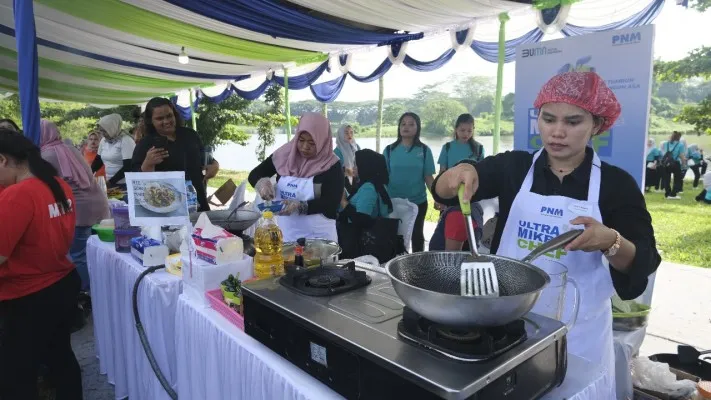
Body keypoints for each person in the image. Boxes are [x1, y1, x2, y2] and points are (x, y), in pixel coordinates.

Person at [431, 71, 660, 398]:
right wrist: (455, 174)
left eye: (573, 121)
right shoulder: (515, 167)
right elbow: (444, 193)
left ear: (596, 124)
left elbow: (643, 261)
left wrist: (611, 242)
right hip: (509, 328)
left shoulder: (615, 185)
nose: (557, 132)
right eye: (548, 118)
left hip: (578, 338)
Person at [0, 132, 83, 399]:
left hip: (29, 295)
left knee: (16, 373)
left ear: (2, 160)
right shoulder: (58, 184)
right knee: (60, 357)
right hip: (61, 283)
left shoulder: (17, 195)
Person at [249, 112, 344, 243]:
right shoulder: (284, 155)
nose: (305, 147)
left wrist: (301, 206)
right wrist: (262, 184)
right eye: (301, 140)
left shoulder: (332, 165)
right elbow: (255, 174)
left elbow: (332, 202)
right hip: (286, 236)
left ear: (322, 141)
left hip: (320, 240)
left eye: (312, 143)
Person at [40, 120, 109, 297]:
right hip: (98, 202)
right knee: (96, 251)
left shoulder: (46, 154)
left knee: (78, 254)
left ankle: (88, 292)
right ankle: (102, 289)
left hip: (80, 208)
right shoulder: (67, 147)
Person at [132, 97, 220, 211]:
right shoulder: (145, 144)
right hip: (167, 210)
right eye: (159, 118)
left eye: (169, 115)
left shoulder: (190, 135)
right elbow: (135, 181)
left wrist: (215, 165)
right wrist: (147, 164)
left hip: (198, 205)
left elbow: (206, 159)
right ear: (151, 121)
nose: (166, 121)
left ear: (175, 114)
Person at [384, 112, 436, 252]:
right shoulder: (389, 150)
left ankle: (419, 267)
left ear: (417, 128)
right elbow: (383, 178)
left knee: (417, 235)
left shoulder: (424, 150)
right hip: (393, 202)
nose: (406, 127)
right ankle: (393, 265)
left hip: (417, 202)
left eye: (411, 124)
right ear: (399, 128)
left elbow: (428, 177)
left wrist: (438, 198)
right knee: (393, 235)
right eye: (403, 124)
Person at [337, 149, 395, 259]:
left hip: (360, 246)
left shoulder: (368, 188)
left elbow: (362, 220)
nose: (354, 167)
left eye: (356, 164)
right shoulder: (378, 183)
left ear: (366, 166)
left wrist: (343, 202)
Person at [92, 113, 136, 188]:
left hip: (124, 183)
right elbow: (98, 161)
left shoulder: (126, 140)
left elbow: (128, 166)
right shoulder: (104, 140)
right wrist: (89, 173)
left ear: (112, 128)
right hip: (111, 182)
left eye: (104, 131)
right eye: (101, 131)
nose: (103, 134)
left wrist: (111, 182)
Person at [334, 124, 360, 194]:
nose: (349, 135)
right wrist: (348, 171)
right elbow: (336, 171)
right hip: (343, 182)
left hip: (357, 179)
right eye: (346, 133)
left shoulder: (356, 147)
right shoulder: (336, 152)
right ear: (341, 134)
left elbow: (361, 162)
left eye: (351, 132)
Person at [661, 131, 686, 199]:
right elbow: (682, 156)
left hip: (666, 163)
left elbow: (663, 152)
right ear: (679, 137)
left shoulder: (666, 143)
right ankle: (673, 194)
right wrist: (684, 165)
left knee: (666, 179)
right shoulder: (680, 145)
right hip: (675, 163)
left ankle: (667, 193)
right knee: (677, 179)